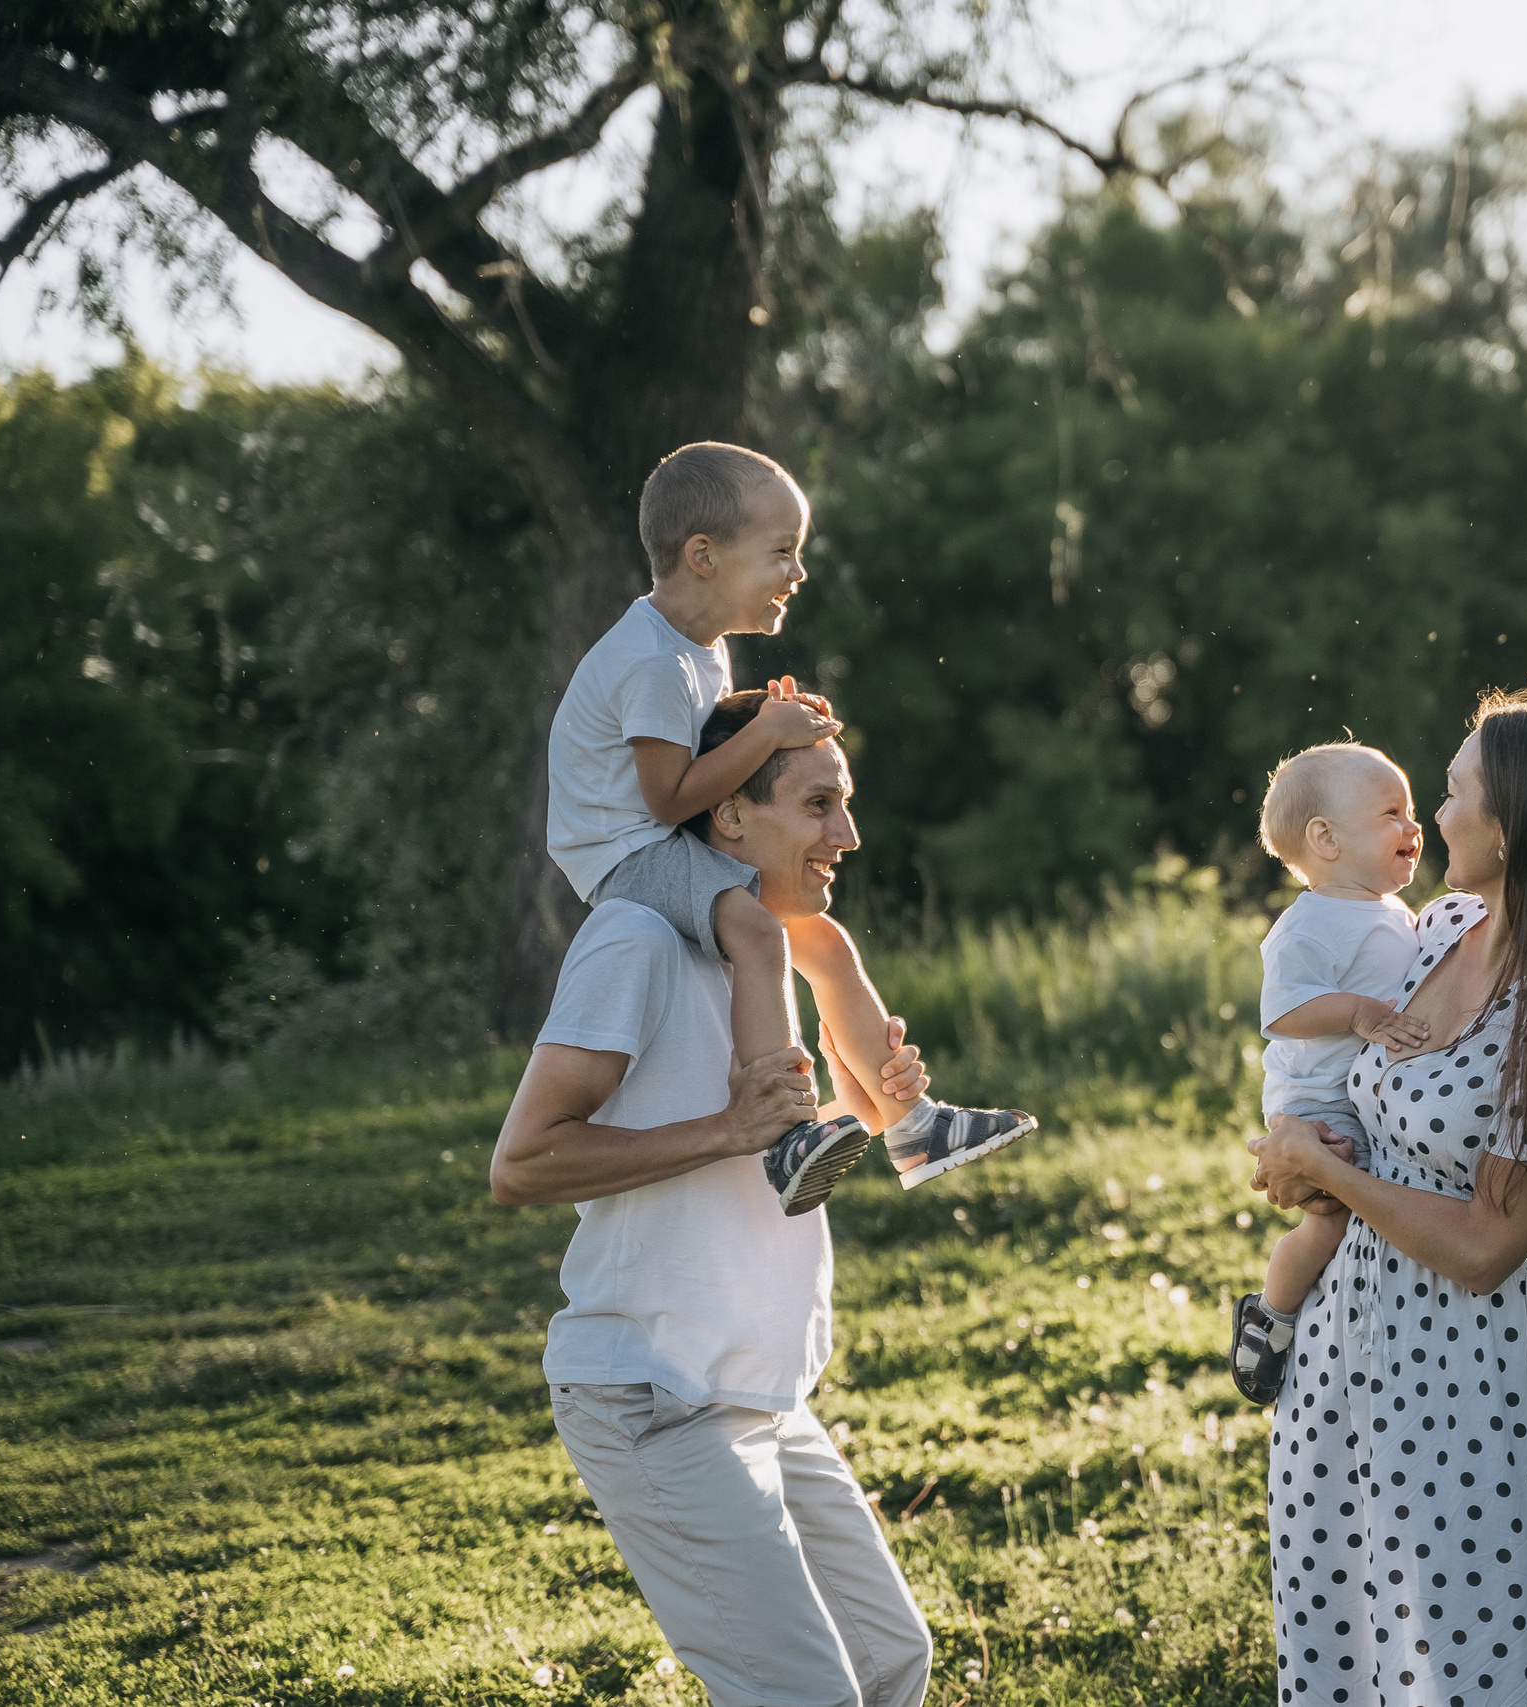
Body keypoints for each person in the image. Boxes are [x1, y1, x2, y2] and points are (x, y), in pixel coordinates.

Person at [1246, 687, 1527, 1707]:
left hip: (1464, 1374)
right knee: (1348, 1637)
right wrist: (1291, 1144)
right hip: (1344, 1343)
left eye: (1451, 795)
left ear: (1514, 823)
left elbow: (1489, 1247)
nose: (1434, 819)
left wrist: (1332, 1178)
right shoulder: (1438, 928)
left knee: (1470, 1658)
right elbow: (1337, 1073)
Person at [491, 710, 933, 1707]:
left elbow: (773, 1162)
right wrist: (727, 1129)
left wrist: (868, 1103)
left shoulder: (763, 960)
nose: (846, 837)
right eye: (818, 806)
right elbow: (520, 1163)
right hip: (655, 1397)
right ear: (728, 816)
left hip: (766, 1396)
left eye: (847, 806)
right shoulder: (637, 941)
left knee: (891, 1660)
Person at [544, 439, 1036, 1213]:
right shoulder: (653, 662)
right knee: (762, 934)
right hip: (625, 853)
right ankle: (784, 1130)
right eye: (781, 552)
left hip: (660, 839)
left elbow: (709, 756)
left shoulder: (699, 653)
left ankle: (912, 1122)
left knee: (827, 944)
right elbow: (671, 798)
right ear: (704, 555)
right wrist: (765, 735)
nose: (797, 573)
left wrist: (762, 721)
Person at [1229, 742, 1431, 1405]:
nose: (1414, 827)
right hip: (1315, 1104)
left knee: (1366, 1216)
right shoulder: (1308, 925)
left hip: (1356, 1097)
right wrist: (1358, 1013)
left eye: (1414, 812)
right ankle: (1271, 1316)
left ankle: (1348, 1333)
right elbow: (1282, 1011)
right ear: (1326, 838)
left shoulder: (1392, 912)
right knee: (1330, 1218)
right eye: (1391, 813)